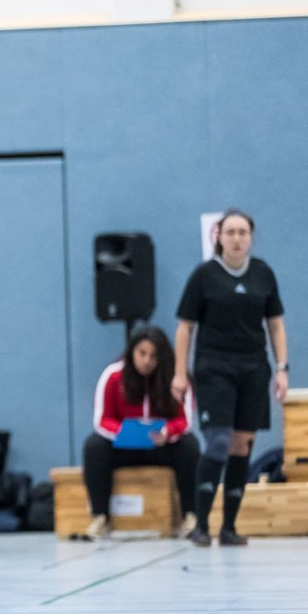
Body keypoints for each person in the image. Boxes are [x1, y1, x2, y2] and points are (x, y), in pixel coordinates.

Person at [173, 209, 289, 547]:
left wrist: (282, 368)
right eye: (230, 232)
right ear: (218, 237)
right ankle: (201, 524)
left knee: (242, 445)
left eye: (242, 232)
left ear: (251, 237)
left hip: (253, 366)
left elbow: (276, 324)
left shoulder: (263, 274)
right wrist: (180, 373)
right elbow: (185, 327)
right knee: (219, 442)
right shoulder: (204, 276)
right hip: (214, 367)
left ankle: (229, 527)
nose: (236, 239)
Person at [83, 325, 199, 539]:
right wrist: (123, 433)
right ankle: (100, 516)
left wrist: (167, 432)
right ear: (132, 352)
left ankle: (189, 515)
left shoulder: (177, 377)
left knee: (190, 446)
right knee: (94, 446)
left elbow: (186, 420)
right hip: (124, 447)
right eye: (142, 354)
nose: (147, 361)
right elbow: (102, 420)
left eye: (154, 356)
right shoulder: (112, 376)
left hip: (161, 446)